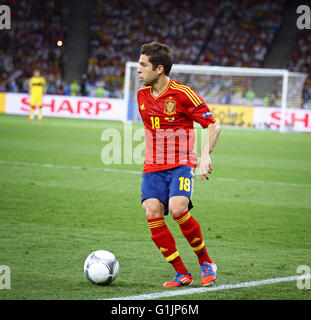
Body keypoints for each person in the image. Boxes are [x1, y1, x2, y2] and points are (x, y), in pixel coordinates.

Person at [137, 42, 221, 288]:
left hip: (181, 164)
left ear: (159, 69)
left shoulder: (182, 94)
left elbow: (213, 125)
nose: (139, 70)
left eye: (143, 65)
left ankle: (206, 262)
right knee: (152, 211)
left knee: (177, 208)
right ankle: (181, 273)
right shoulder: (142, 95)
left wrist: (205, 155)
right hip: (153, 166)